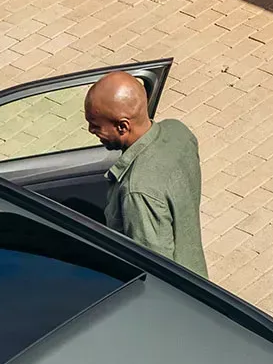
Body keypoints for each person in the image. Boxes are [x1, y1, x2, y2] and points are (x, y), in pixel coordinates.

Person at [84, 71, 208, 279]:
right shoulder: (177, 132)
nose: (90, 130)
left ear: (123, 126)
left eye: (96, 126)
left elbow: (154, 273)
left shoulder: (138, 193)